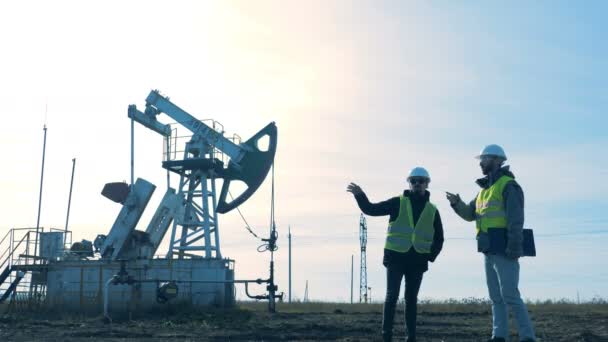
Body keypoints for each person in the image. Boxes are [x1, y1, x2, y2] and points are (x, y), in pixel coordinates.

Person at [445, 144, 536, 342]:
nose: (481, 163)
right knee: (496, 298)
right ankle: (499, 336)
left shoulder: (508, 186)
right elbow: (470, 215)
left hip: (505, 249)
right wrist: (456, 204)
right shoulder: (484, 191)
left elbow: (516, 219)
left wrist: (514, 248)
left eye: (484, 159)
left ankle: (528, 337)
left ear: (497, 160)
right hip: (488, 249)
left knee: (510, 295)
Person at [347, 167, 444, 342]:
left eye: (420, 181)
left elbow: (439, 238)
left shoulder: (433, 210)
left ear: (427, 184)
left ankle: (411, 337)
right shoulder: (398, 202)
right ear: (409, 183)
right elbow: (371, 209)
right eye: (413, 181)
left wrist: (430, 256)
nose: (417, 184)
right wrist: (360, 195)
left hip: (417, 261)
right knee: (392, 296)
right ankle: (387, 336)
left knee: (411, 299)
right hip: (396, 259)